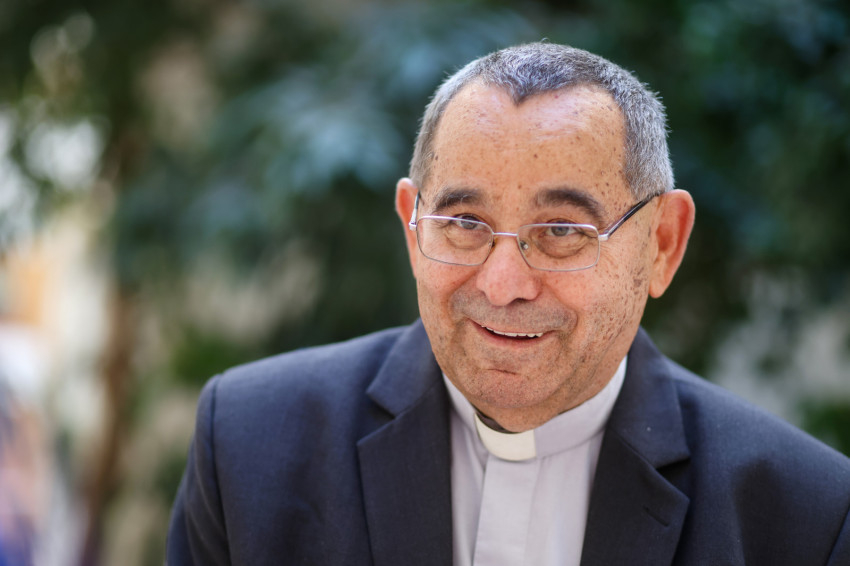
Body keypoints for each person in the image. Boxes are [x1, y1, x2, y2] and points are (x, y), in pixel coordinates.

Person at [167, 43, 850, 565]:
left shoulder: (806, 516)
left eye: (562, 232)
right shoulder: (249, 445)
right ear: (412, 227)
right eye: (464, 223)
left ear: (662, 245)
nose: (502, 285)